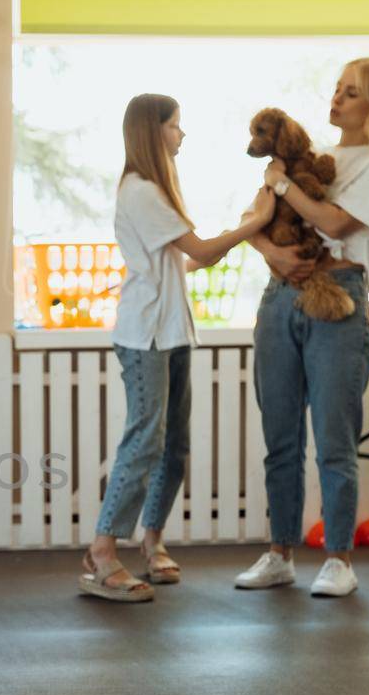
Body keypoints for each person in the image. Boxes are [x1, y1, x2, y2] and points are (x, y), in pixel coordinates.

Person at [80, 95, 275, 602]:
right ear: (153, 131)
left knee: (175, 446)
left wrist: (158, 272)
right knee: (144, 440)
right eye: (175, 126)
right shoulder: (142, 191)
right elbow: (206, 253)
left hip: (173, 331)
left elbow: (180, 263)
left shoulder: (159, 190)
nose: (181, 134)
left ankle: (152, 539)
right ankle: (102, 552)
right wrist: (257, 220)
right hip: (145, 336)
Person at [237, 59, 369, 598]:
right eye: (336, 90)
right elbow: (252, 223)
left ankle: (338, 558)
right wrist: (274, 256)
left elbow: (336, 224)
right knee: (279, 437)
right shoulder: (312, 160)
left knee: (335, 440)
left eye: (351, 93)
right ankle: (280, 552)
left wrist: (282, 181)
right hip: (281, 297)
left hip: (340, 303)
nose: (336, 100)